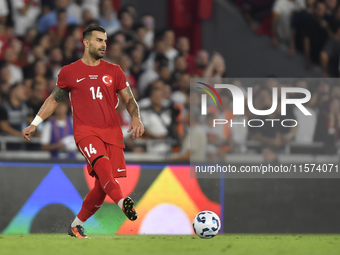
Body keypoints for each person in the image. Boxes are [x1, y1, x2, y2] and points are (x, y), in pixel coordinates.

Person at [22, 24, 144, 238]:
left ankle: (75, 226)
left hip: (112, 133)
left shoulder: (114, 71)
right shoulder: (69, 72)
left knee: (101, 187)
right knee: (103, 166)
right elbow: (53, 99)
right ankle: (122, 201)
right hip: (85, 132)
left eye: (105, 41)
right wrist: (35, 123)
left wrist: (136, 117)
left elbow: (129, 98)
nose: (104, 45)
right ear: (86, 42)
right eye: (99, 40)